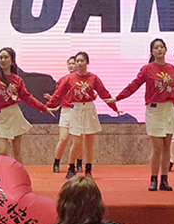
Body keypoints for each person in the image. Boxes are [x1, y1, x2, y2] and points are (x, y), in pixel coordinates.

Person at [108, 38, 174, 192]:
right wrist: (117, 98)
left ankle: (164, 179)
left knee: (166, 147)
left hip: (169, 109)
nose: (159, 50)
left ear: (165, 49)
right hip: (154, 110)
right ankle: (153, 179)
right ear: (152, 51)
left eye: (162, 47)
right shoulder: (147, 69)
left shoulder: (172, 69)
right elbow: (134, 85)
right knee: (157, 147)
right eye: (156, 47)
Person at [46, 51, 119, 179]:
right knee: (77, 142)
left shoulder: (93, 78)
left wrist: (114, 108)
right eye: (77, 61)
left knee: (90, 143)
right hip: (75, 110)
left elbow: (104, 93)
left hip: (89, 109)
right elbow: (58, 94)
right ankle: (71, 167)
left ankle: (88, 169)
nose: (79, 63)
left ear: (87, 62)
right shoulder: (69, 79)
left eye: (82, 61)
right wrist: (47, 106)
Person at [46, 56, 84, 173]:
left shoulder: (82, 80)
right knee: (63, 138)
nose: (71, 66)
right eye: (69, 64)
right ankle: (56, 162)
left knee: (78, 141)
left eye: (73, 63)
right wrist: (51, 101)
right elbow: (58, 95)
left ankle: (79, 163)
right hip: (66, 111)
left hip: (78, 111)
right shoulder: (62, 80)